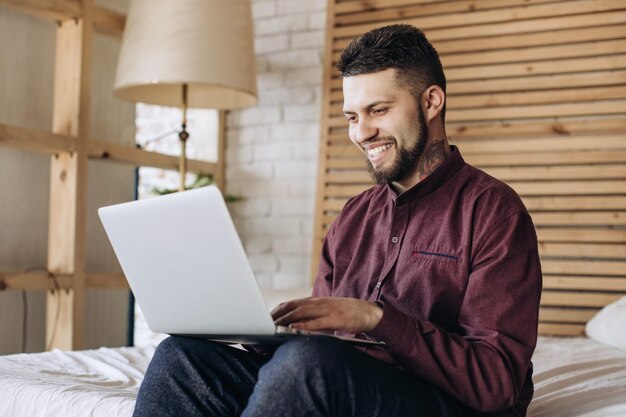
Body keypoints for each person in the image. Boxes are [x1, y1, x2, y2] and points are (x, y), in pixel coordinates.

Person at [133, 24, 542, 417]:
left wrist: (376, 319)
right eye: (351, 117)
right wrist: (263, 332)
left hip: (443, 403)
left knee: (307, 366)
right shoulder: (354, 217)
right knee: (182, 359)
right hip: (339, 382)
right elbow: (319, 343)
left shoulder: (494, 212)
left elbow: (496, 381)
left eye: (377, 110)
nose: (362, 133)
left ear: (432, 101)